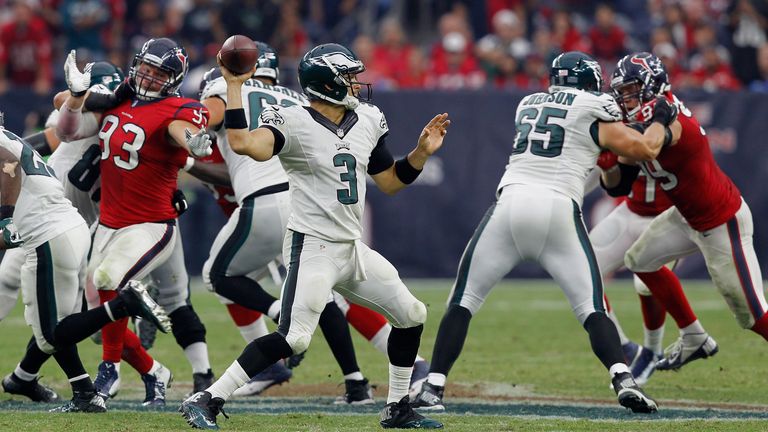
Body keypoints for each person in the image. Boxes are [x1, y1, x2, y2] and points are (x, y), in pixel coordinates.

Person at [181, 42, 448, 429]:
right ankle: (207, 399)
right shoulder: (293, 120)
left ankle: (397, 408)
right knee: (294, 338)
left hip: (351, 248)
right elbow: (242, 143)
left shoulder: (369, 118)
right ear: (327, 84)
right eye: (348, 78)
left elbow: (389, 182)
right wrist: (235, 87)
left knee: (411, 314)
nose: (357, 85)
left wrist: (421, 154)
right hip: (313, 247)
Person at [410, 51, 666, 414]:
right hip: (558, 209)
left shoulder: (528, 103)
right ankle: (623, 377)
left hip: (509, 206)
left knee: (462, 301)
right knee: (592, 309)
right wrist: (655, 123)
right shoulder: (596, 106)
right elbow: (638, 149)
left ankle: (433, 387)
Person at [55, 38, 214, 404]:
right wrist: (77, 95)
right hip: (108, 222)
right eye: (145, 67)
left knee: (110, 279)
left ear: (173, 79)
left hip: (150, 223)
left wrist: (194, 141)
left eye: (158, 72)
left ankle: (108, 370)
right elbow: (66, 131)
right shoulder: (120, 99)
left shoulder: (181, 107)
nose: (148, 75)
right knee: (97, 311)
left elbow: (183, 132)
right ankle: (154, 371)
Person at [0, 116, 170, 413]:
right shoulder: (11, 138)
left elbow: (8, 164)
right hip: (66, 231)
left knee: (53, 333)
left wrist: (5, 217)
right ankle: (83, 393)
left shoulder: (5, 148)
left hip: (49, 237)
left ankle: (123, 304)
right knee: (51, 326)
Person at [609, 52, 768, 369]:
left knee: (752, 315)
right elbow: (617, 185)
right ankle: (693, 337)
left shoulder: (670, 115)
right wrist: (610, 159)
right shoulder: (645, 118)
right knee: (640, 260)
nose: (626, 98)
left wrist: (617, 143)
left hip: (722, 221)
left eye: (632, 89)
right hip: (685, 216)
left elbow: (652, 144)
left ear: (652, 85)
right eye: (622, 91)